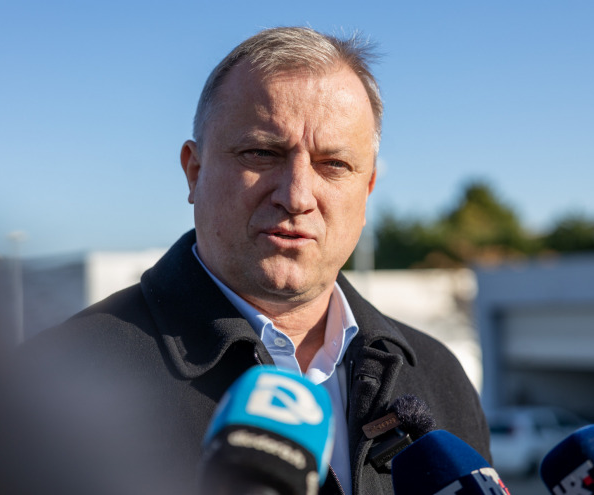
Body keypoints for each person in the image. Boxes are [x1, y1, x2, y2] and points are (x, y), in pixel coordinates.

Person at [26, 27, 490, 495]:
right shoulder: (52, 383)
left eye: (333, 164)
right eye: (262, 153)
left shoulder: (439, 377)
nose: (296, 196)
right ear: (194, 171)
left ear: (367, 190)